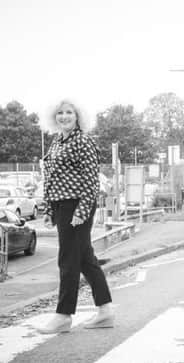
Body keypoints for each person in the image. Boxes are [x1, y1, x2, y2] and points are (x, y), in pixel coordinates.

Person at [37, 99, 114, 334]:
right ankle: (106, 311)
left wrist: (81, 212)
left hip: (77, 205)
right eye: (59, 112)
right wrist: (50, 210)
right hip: (61, 205)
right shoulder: (57, 142)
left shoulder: (84, 141)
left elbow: (91, 181)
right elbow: (51, 179)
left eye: (69, 112)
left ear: (78, 115)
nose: (64, 116)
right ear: (53, 116)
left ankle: (63, 315)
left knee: (68, 259)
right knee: (84, 258)